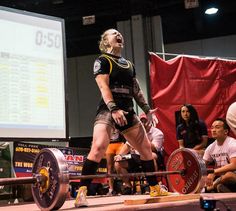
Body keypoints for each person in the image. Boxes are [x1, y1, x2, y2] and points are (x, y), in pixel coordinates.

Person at [74, 28, 167, 208]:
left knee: (146, 150)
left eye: (120, 34)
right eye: (113, 33)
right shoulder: (102, 60)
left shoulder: (129, 65)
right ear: (105, 41)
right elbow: (103, 87)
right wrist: (114, 108)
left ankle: (154, 187)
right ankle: (81, 193)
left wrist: (147, 110)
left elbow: (136, 90)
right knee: (99, 147)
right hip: (109, 109)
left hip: (128, 109)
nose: (119, 35)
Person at [114, 113, 166, 194]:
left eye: (145, 121)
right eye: (141, 121)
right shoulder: (135, 132)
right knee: (118, 162)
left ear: (149, 122)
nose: (143, 123)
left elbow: (155, 149)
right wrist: (119, 155)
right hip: (137, 156)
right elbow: (127, 145)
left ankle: (151, 185)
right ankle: (127, 186)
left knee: (151, 156)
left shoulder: (158, 133)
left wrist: (144, 136)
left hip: (153, 155)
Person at [203, 118, 236, 193]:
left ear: (226, 131)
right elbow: (201, 165)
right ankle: (219, 187)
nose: (213, 130)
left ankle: (209, 188)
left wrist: (213, 172)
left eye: (217, 127)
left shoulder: (232, 144)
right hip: (221, 178)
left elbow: (234, 165)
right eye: (212, 128)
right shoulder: (211, 147)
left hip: (233, 176)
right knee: (203, 178)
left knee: (229, 175)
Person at [105, 129, 125, 195]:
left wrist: (120, 131)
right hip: (109, 145)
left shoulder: (119, 121)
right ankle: (111, 189)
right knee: (110, 168)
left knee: (119, 164)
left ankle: (122, 188)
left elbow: (125, 132)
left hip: (120, 144)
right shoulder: (107, 122)